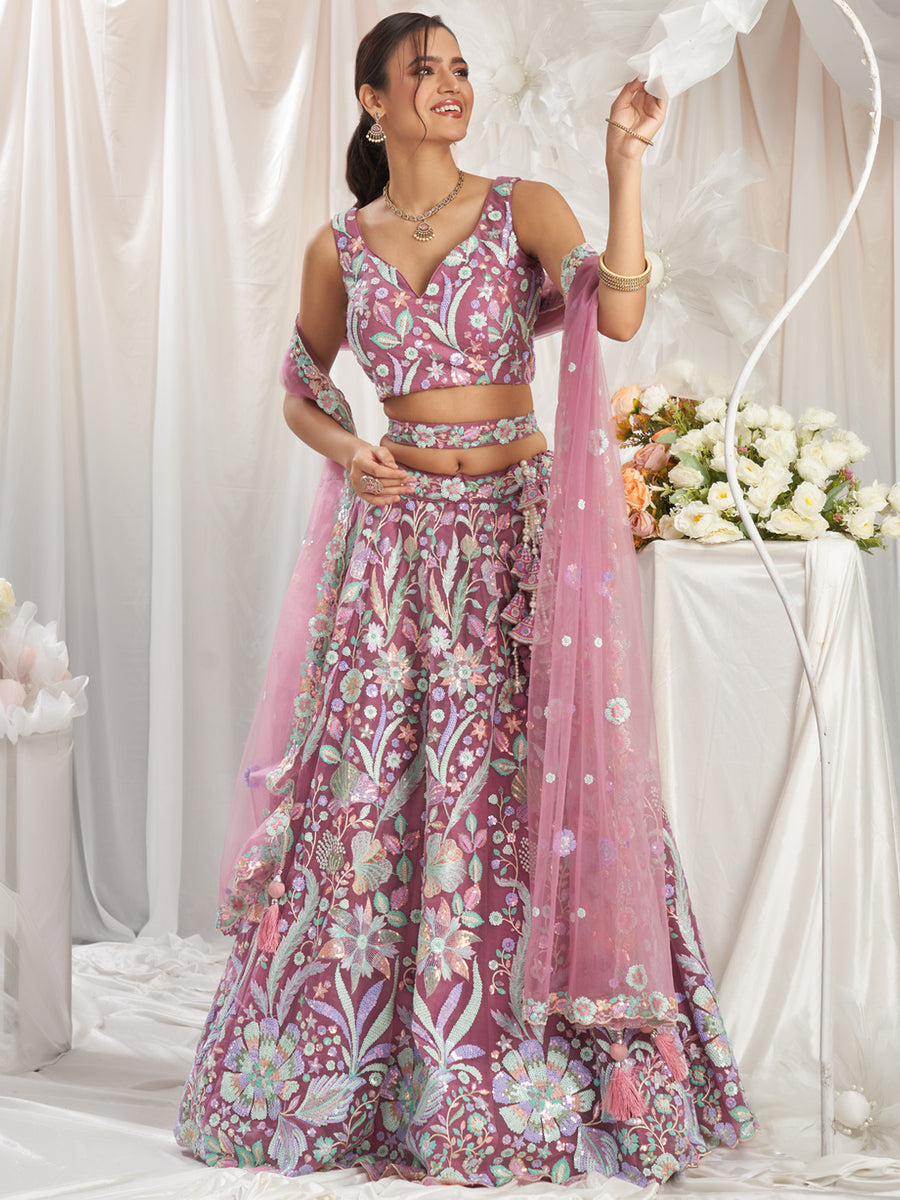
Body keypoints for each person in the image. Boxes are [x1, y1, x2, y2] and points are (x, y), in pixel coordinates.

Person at [176, 12, 755, 1186]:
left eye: (458, 69)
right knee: (375, 793)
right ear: (371, 100)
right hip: (395, 550)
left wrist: (624, 164)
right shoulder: (339, 246)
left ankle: (545, 1068)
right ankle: (366, 1072)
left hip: (512, 541)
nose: (449, 85)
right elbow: (300, 385)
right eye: (422, 71)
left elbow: (617, 311)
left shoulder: (522, 205)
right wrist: (350, 450)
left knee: (524, 783)